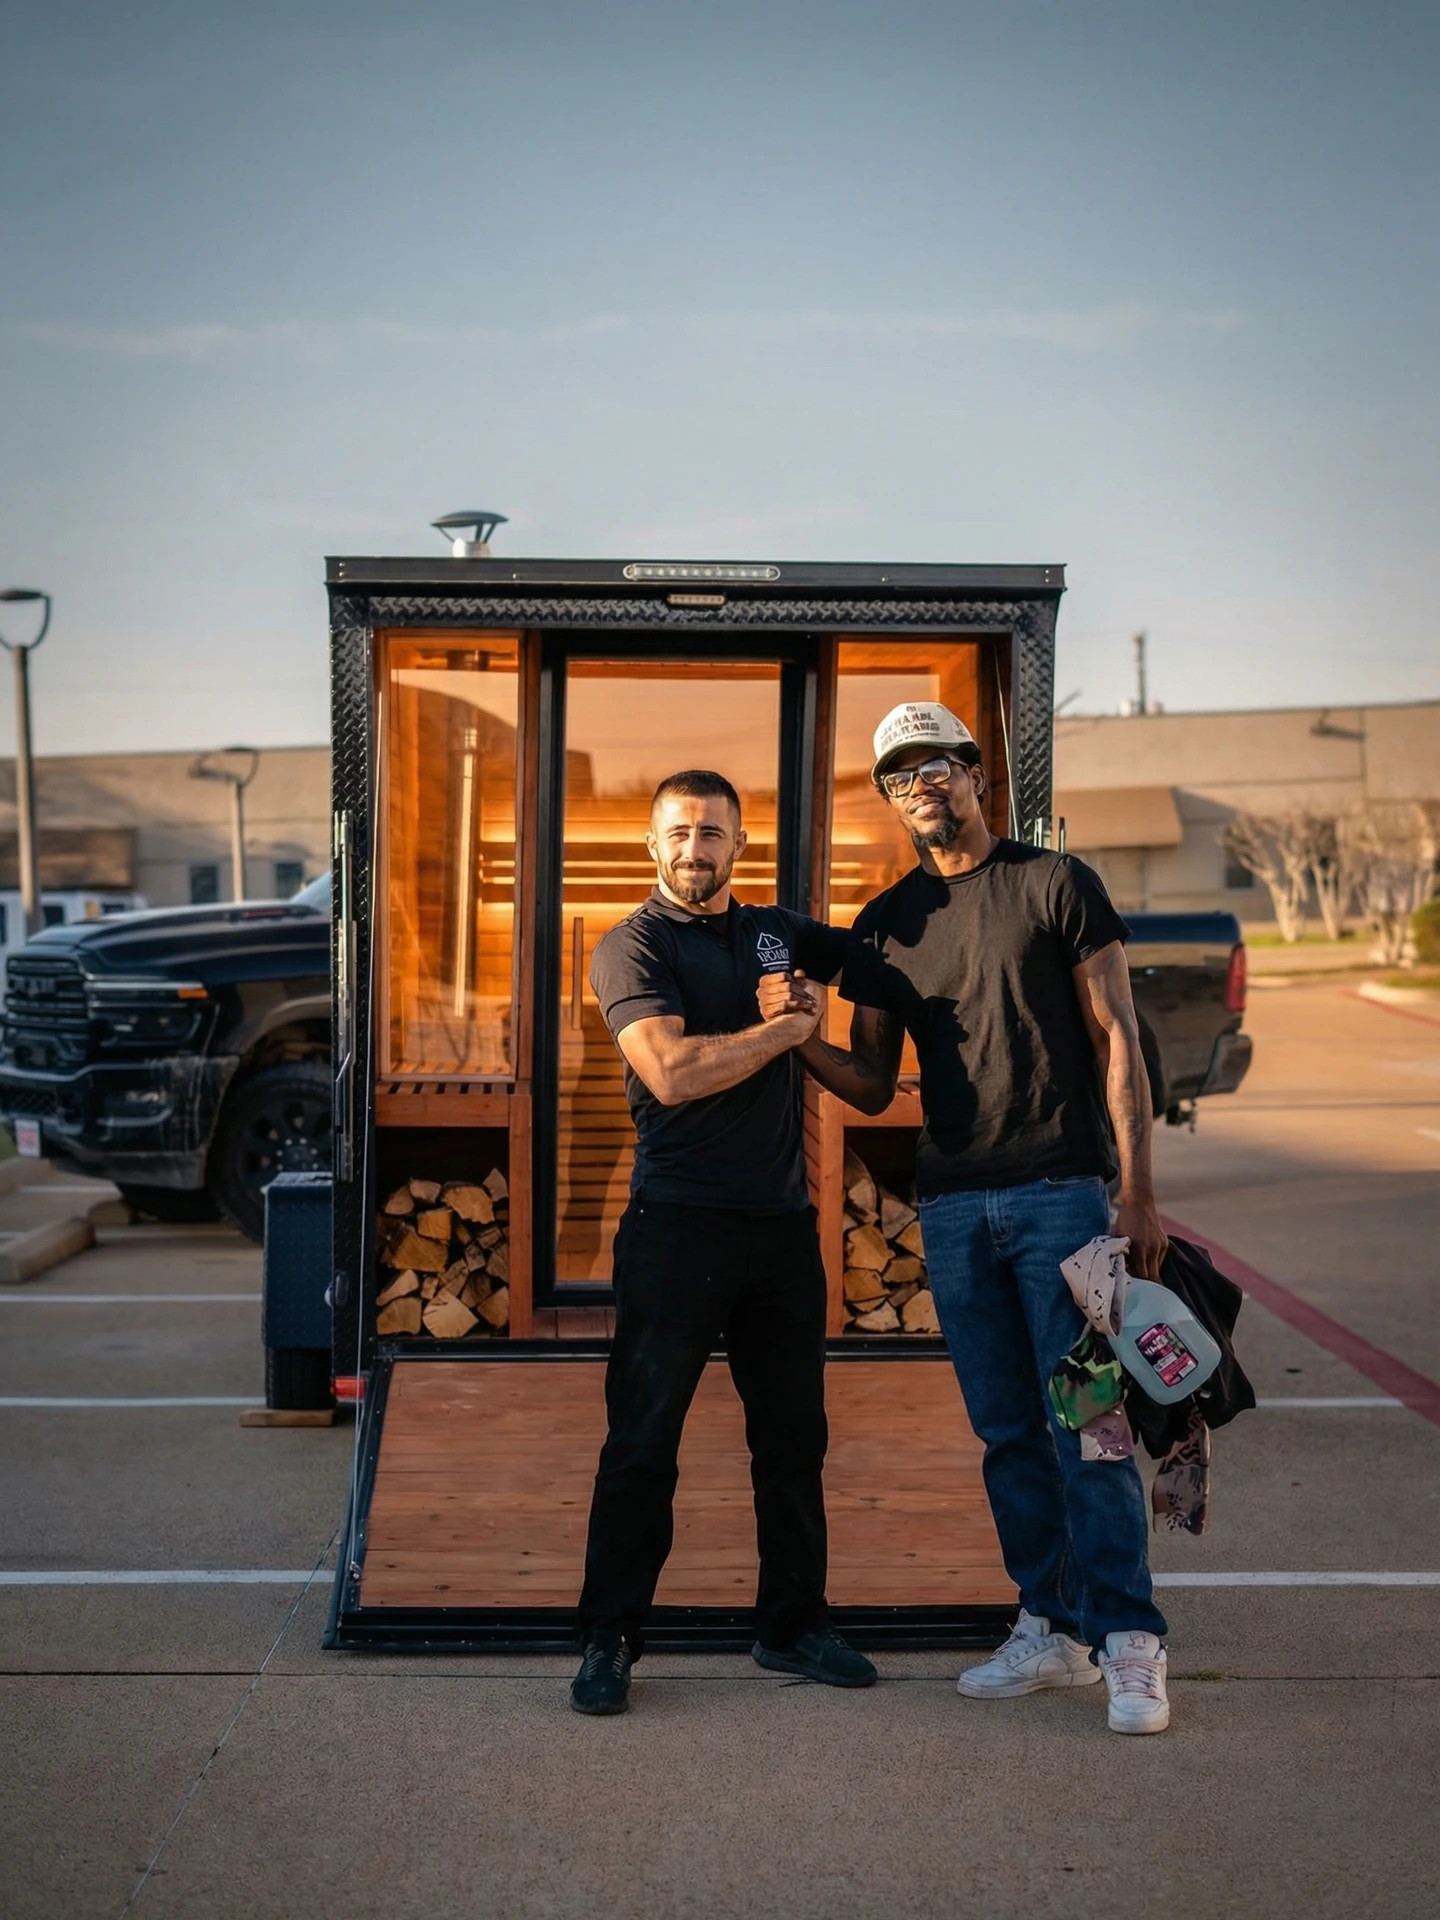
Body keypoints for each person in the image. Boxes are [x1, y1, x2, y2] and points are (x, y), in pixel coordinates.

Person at [760, 701, 1173, 1735]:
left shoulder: (1054, 883)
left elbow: (1118, 1034)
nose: (921, 788)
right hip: (951, 1208)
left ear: (975, 771)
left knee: (1093, 1423)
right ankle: (1051, 1626)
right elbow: (865, 1084)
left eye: (936, 765)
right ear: (889, 798)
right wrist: (791, 1038)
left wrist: (1137, 1189)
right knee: (1005, 1433)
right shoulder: (890, 925)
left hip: (1067, 1200)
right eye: (900, 776)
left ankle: (1130, 1641)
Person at [569, 768, 878, 1715]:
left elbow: (883, 960)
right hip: (677, 1229)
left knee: (793, 1442)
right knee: (643, 1442)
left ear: (739, 844)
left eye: (711, 833)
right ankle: (610, 1640)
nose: (693, 849)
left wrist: (872, 1024)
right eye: (677, 833)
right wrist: (782, 1031)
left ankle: (792, 1624)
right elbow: (668, 1070)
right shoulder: (633, 946)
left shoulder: (776, 932)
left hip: (781, 1230)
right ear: (651, 846)